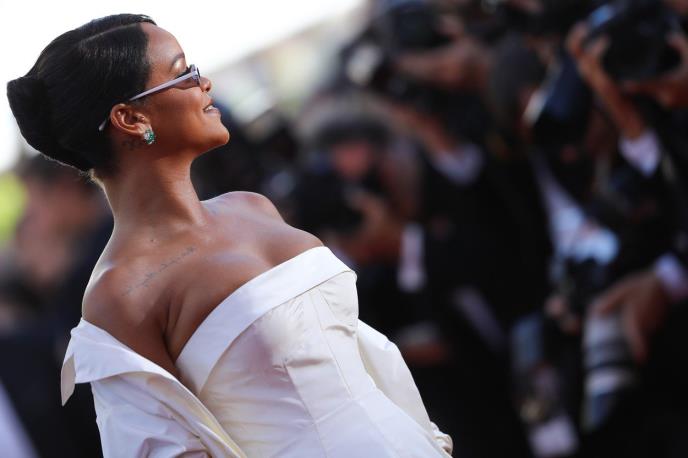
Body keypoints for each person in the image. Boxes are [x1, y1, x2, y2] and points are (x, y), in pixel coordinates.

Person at [7, 14, 453, 457]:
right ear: (130, 118)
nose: (205, 83)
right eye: (182, 73)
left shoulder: (253, 207)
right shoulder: (119, 293)